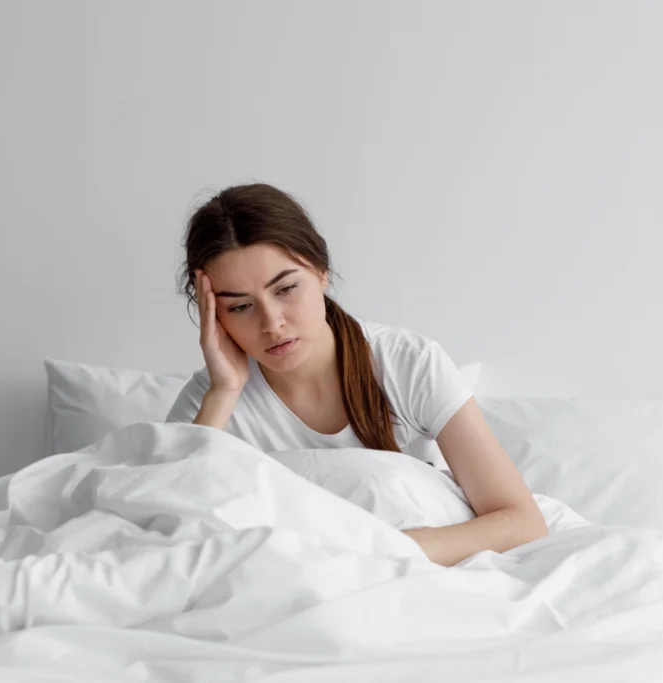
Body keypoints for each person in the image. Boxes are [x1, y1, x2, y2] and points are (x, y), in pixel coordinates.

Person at [165, 183, 548, 566]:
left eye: (286, 289)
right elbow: (168, 525)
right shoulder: (211, 400)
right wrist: (224, 393)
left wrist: (376, 554)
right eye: (242, 307)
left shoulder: (408, 364)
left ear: (321, 271)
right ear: (212, 314)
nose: (272, 323)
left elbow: (522, 520)